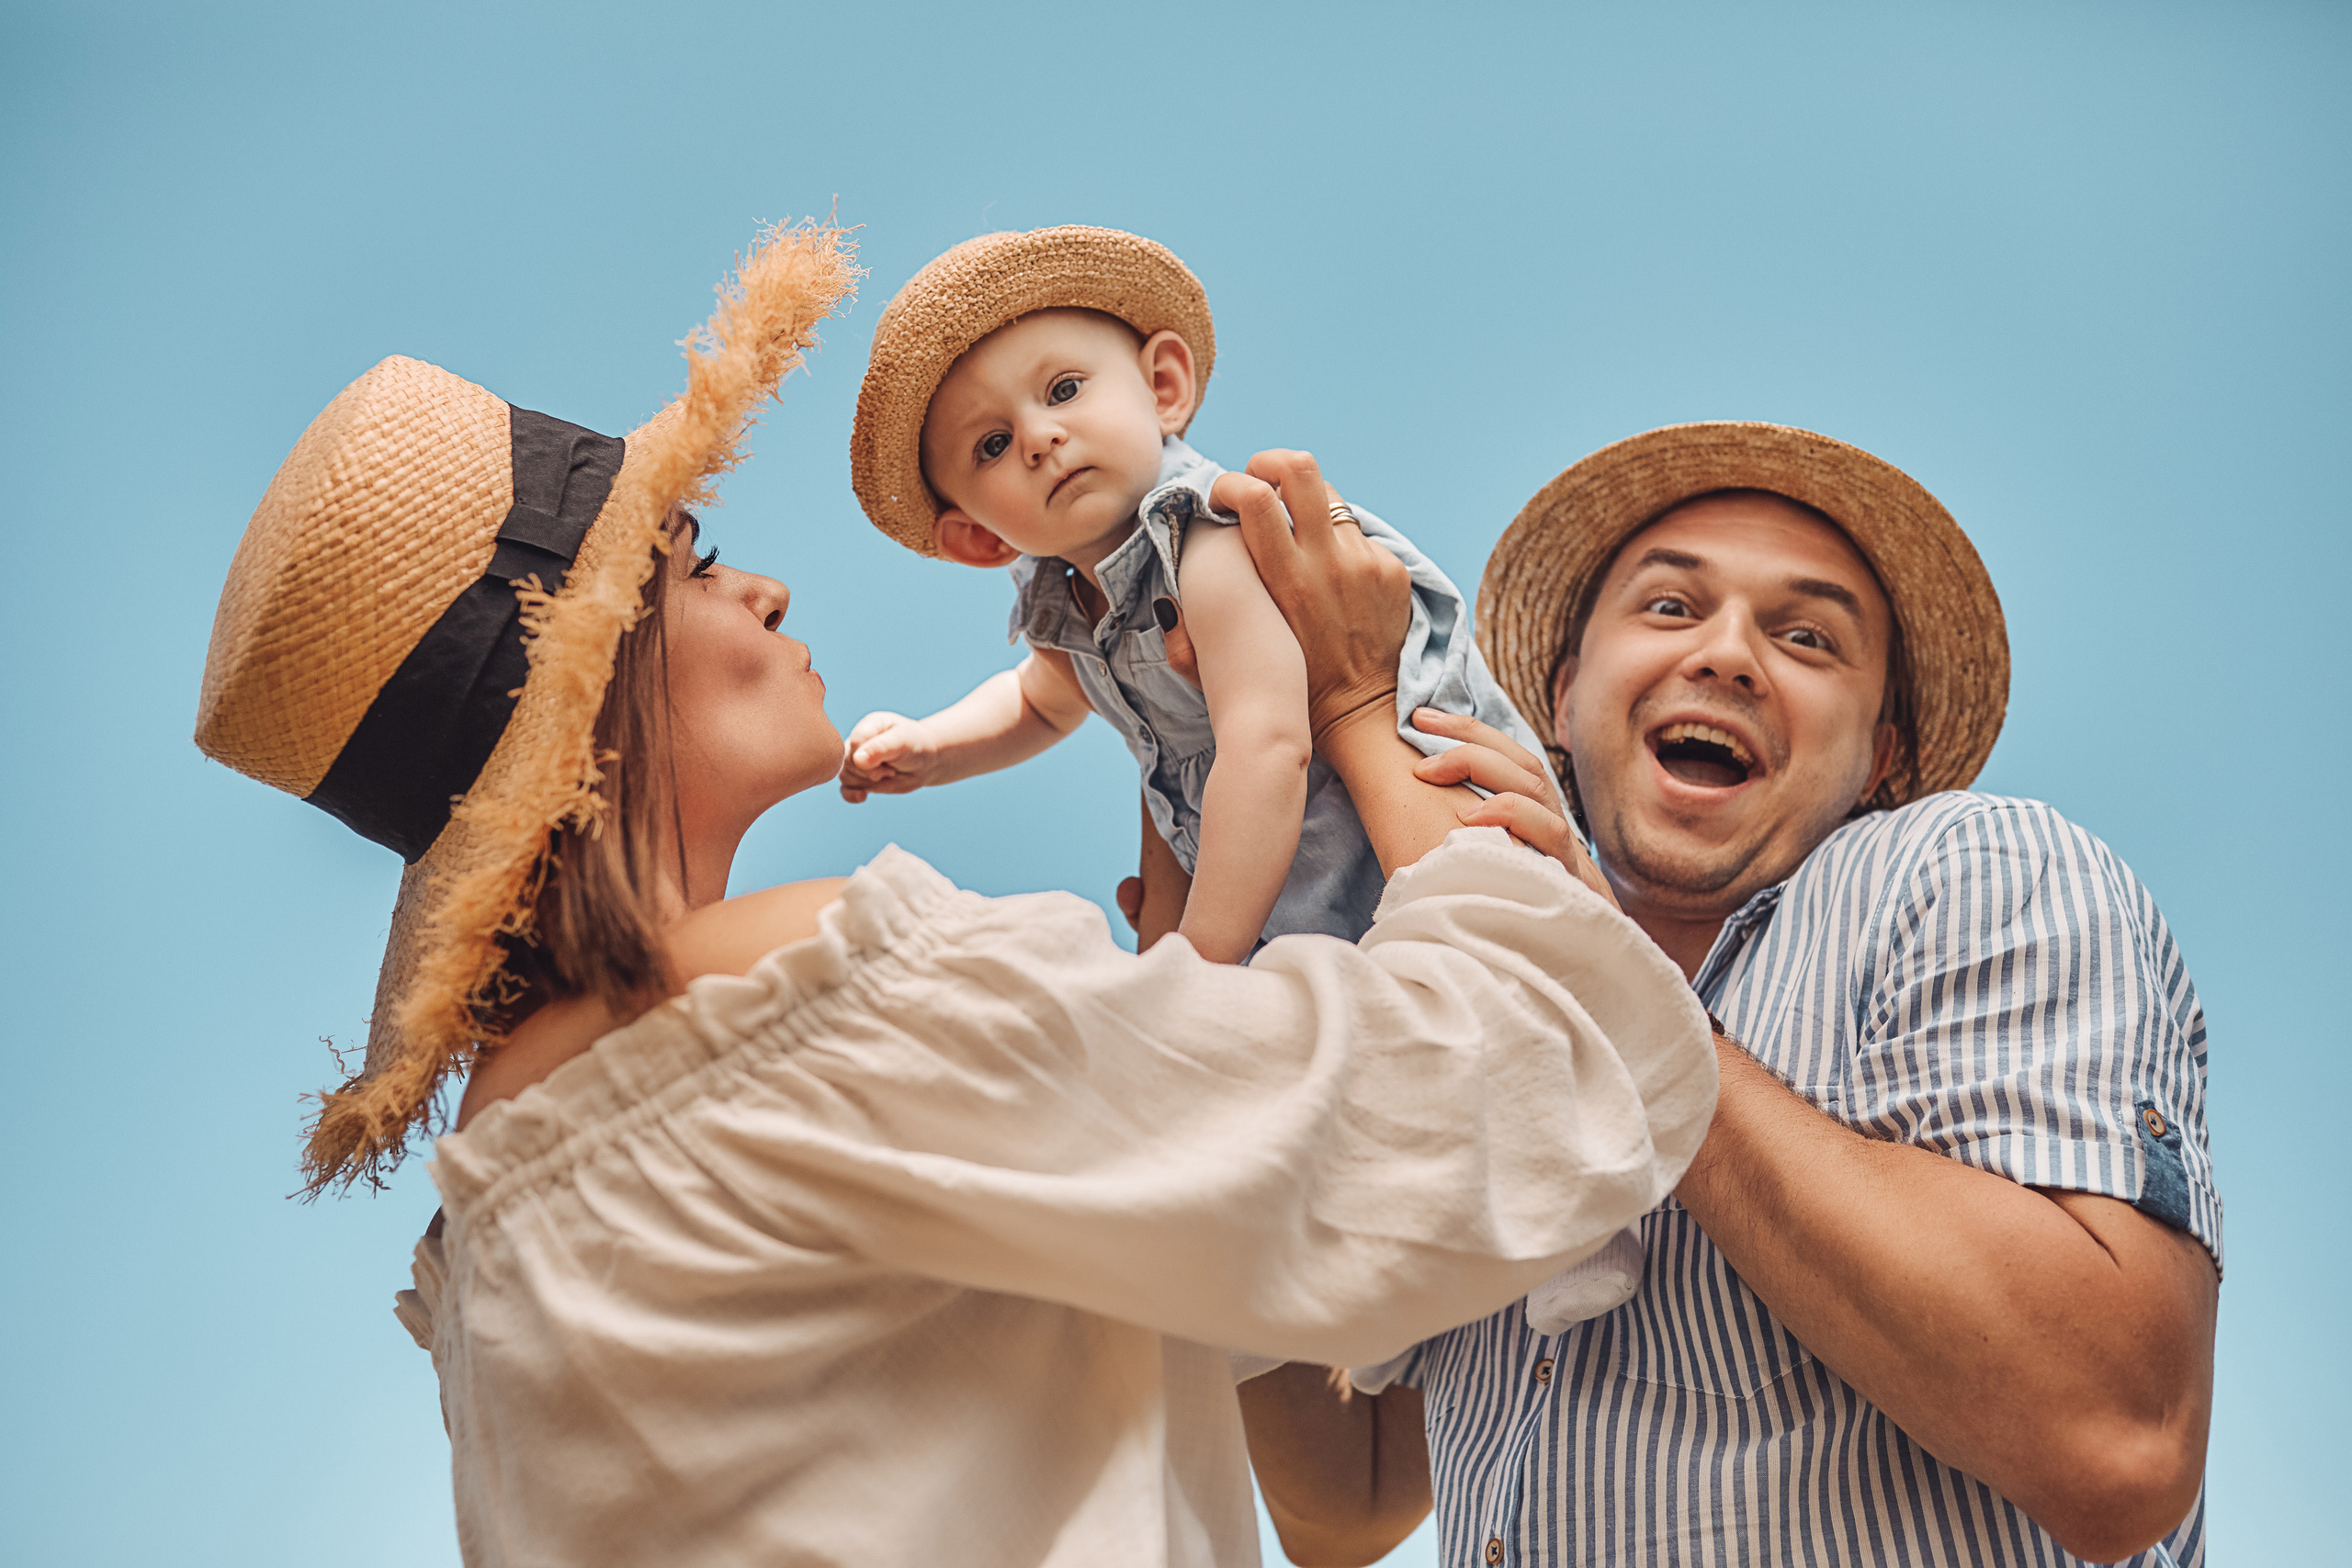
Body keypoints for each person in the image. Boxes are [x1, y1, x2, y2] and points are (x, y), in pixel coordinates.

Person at [189, 222, 1718, 1567]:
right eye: (692, 558)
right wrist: (1362, 717)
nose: (762, 587)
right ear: (581, 684)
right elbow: (1532, 1078)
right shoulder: (814, 1005)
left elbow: (1341, 1508)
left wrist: (1179, 1009)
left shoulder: (510, 1203)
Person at [1238, 423, 2221, 1568]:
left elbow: (2115, 1441)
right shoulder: (1462, 1008)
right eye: (1667, 608)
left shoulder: (1968, 868)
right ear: (1559, 702)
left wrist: (1590, 966)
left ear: (1883, 757)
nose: (1727, 655)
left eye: (1806, 637)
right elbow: (1346, 1506)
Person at [838, 226, 1642, 1325]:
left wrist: (1197, 962)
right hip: (1287, 870)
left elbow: (1271, 742)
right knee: (1357, 1049)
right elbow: (1035, 702)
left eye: (1064, 388)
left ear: (1163, 385)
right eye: (988, 447)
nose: (1038, 438)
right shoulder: (1070, 610)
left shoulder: (1208, 536)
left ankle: (1586, 1211)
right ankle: (1391, 1279)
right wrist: (933, 747)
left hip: (1403, 806)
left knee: (1484, 997)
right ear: (977, 537)